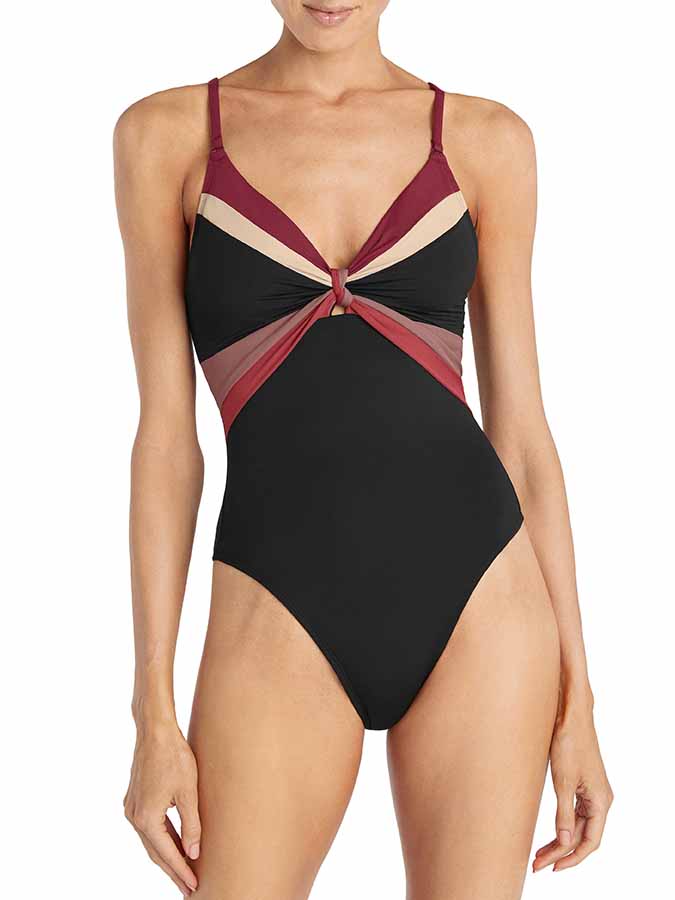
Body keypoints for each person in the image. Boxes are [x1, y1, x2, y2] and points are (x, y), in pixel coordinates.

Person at [114, 2, 613, 897]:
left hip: (482, 601)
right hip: (274, 604)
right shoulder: (168, 135)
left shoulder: (484, 139)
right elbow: (165, 443)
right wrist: (152, 710)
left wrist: (579, 702)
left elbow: (523, 437)